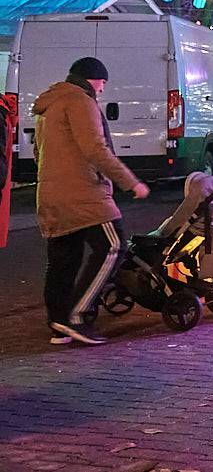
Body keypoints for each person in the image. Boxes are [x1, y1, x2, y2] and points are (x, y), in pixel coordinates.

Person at [36, 56, 149, 345]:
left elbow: (40, 153)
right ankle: (77, 315)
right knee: (113, 246)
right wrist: (130, 181)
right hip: (83, 193)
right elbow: (95, 149)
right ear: (93, 79)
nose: (102, 90)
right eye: (102, 83)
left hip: (51, 194)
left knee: (63, 261)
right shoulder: (80, 101)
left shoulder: (49, 105)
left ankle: (58, 322)